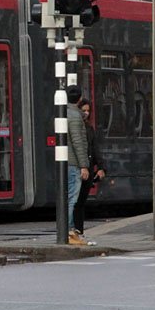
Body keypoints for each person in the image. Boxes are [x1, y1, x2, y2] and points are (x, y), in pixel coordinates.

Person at [74, 97, 105, 246]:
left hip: (87, 169)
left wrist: (101, 167)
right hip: (79, 169)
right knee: (75, 202)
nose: (86, 113)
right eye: (83, 110)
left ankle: (79, 233)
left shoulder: (89, 128)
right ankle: (74, 232)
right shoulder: (76, 126)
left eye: (88, 111)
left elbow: (94, 148)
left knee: (80, 204)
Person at [65, 84, 90, 246]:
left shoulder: (63, 113)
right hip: (73, 163)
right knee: (72, 199)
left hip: (66, 162)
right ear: (80, 99)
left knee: (69, 198)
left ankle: (69, 231)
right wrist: (84, 165)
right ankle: (69, 232)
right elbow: (78, 142)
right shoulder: (74, 116)